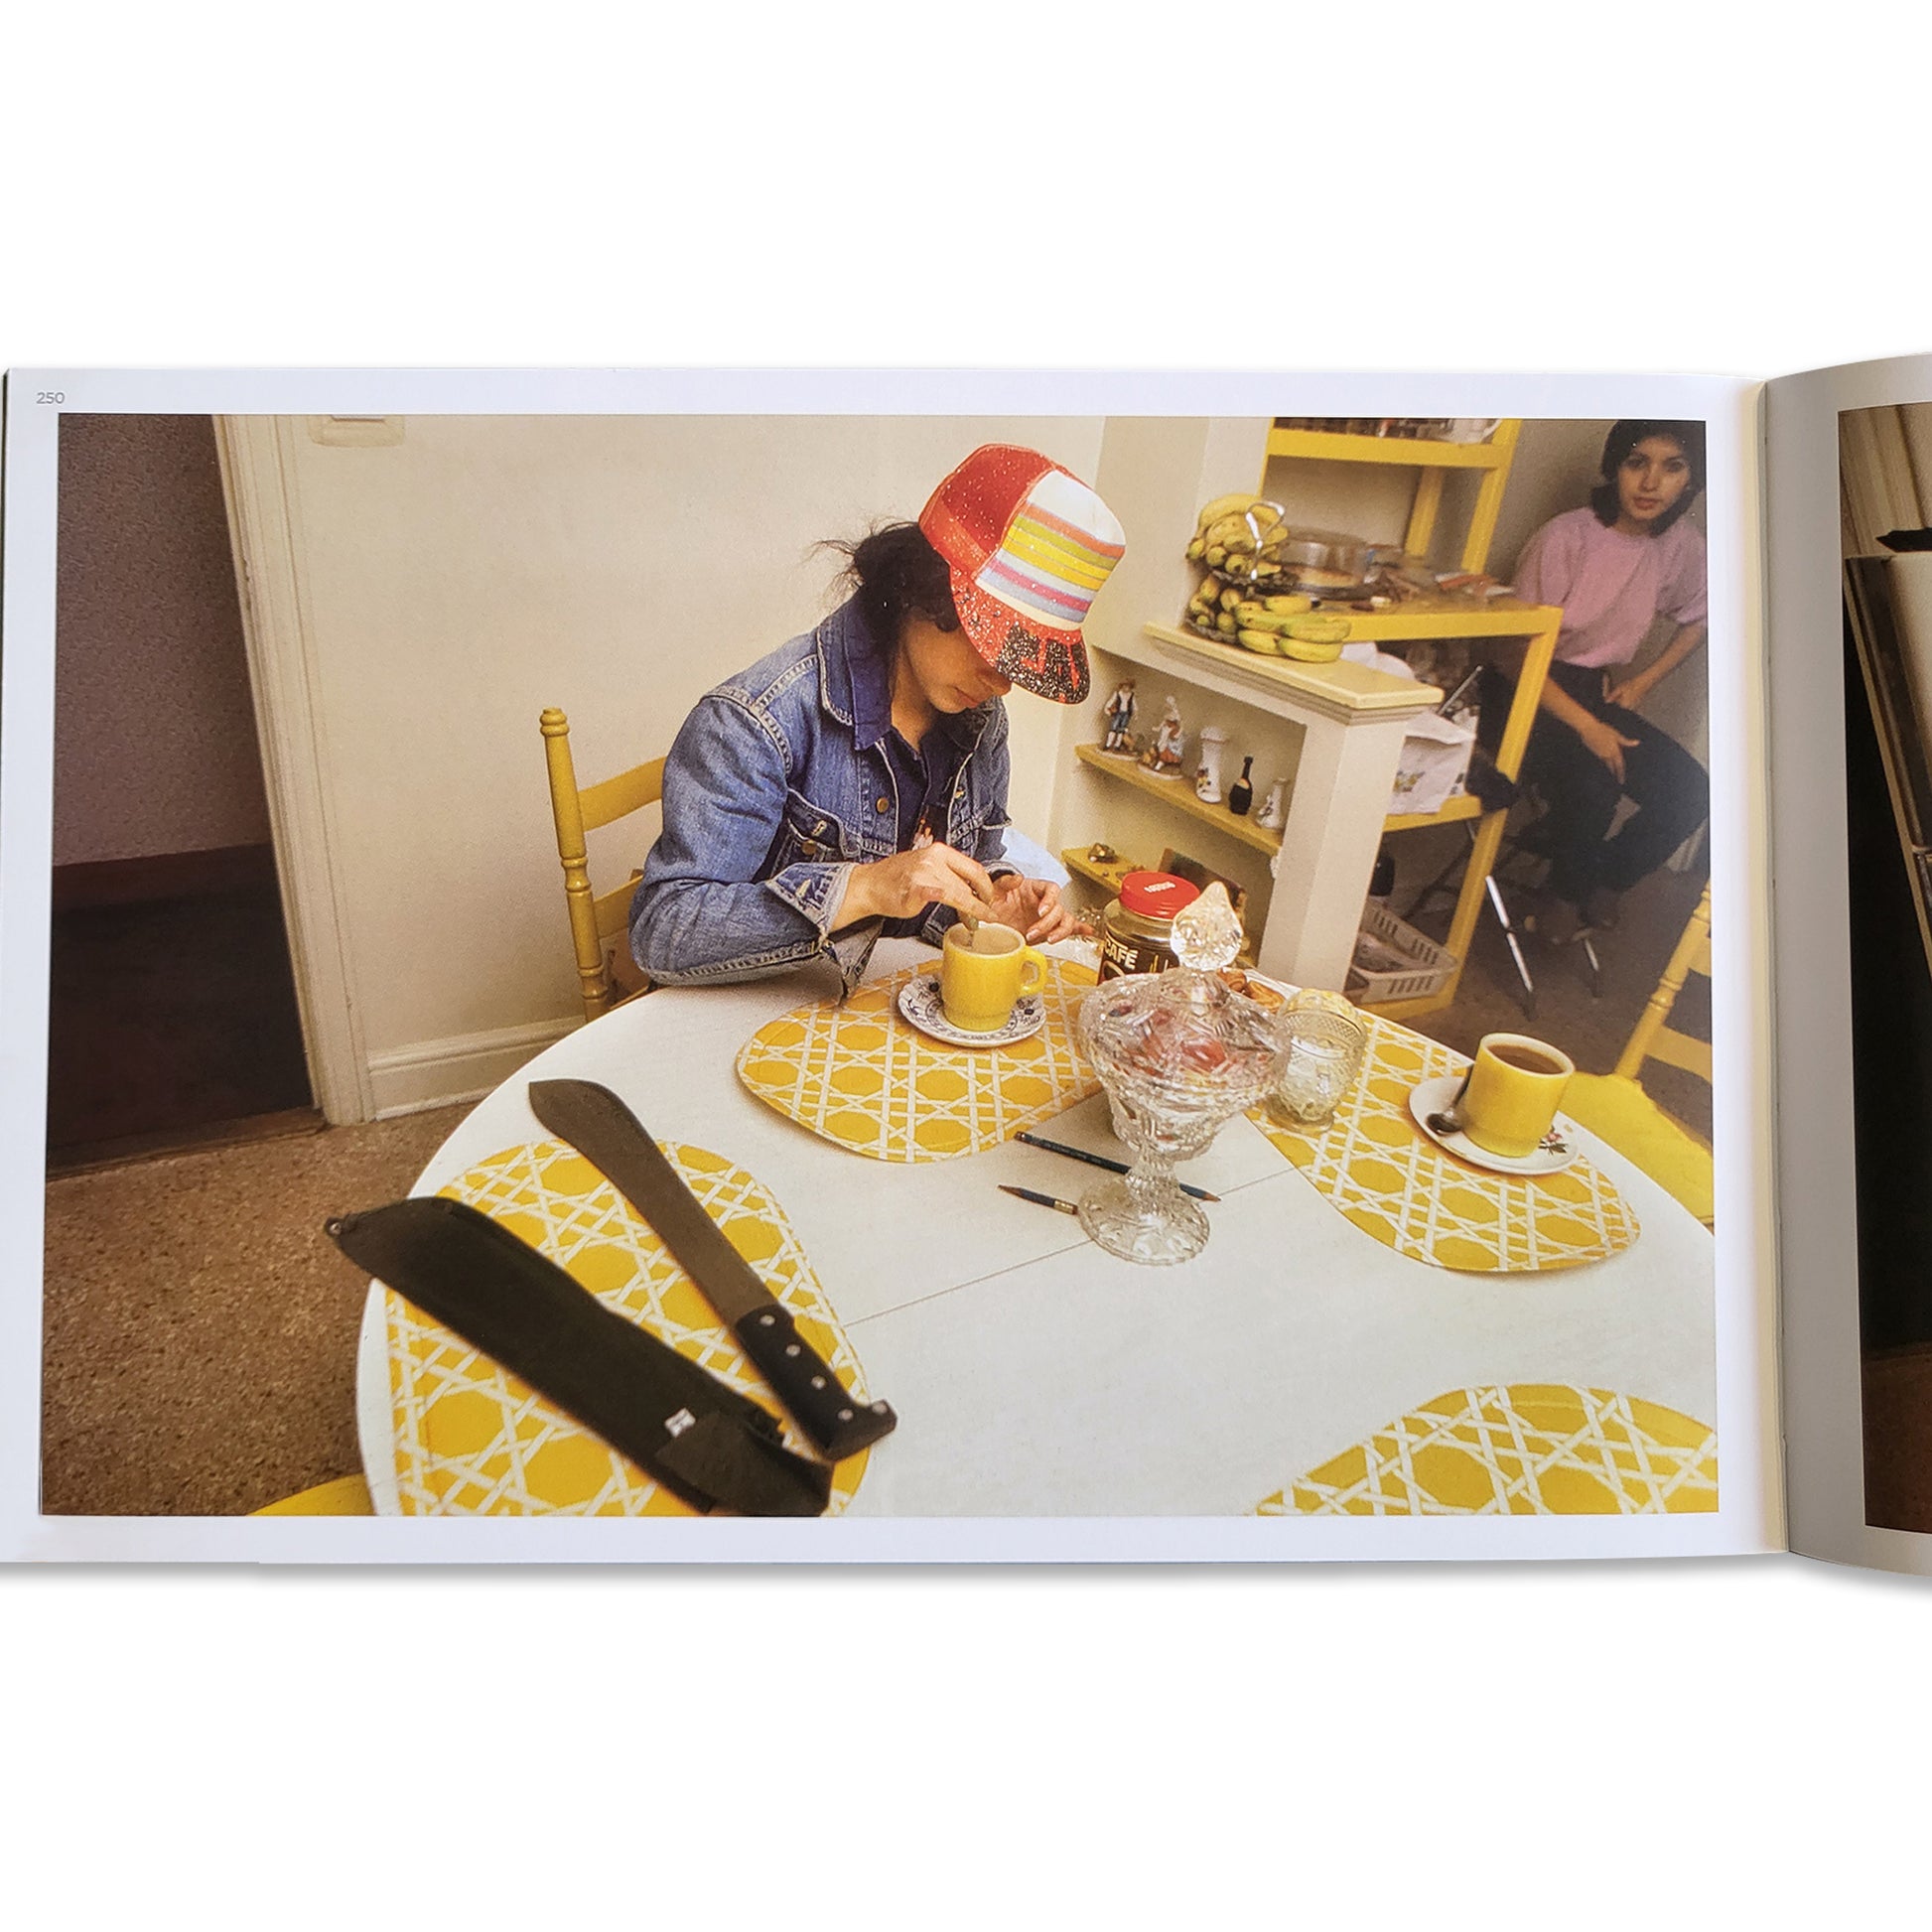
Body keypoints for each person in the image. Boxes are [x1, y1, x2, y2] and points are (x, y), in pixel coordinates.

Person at [629, 444, 1126, 987]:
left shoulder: (981, 723)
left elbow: (947, 884)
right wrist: (862, 888)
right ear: (925, 590)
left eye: (1020, 659)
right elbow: (663, 932)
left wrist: (995, 898)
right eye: (993, 644)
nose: (1002, 681)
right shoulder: (756, 721)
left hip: (864, 1018)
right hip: (732, 1018)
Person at [1507, 419, 1711, 941]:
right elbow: (1512, 652)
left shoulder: (1680, 545)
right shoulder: (1566, 535)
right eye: (1636, 463)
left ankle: (1603, 880)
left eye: (1672, 467)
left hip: (1591, 690)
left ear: (1690, 480)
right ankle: (1561, 897)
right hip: (1527, 690)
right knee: (1598, 784)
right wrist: (1586, 727)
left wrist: (1644, 682)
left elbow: (1704, 613)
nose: (1650, 483)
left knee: (1690, 791)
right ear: (1614, 468)